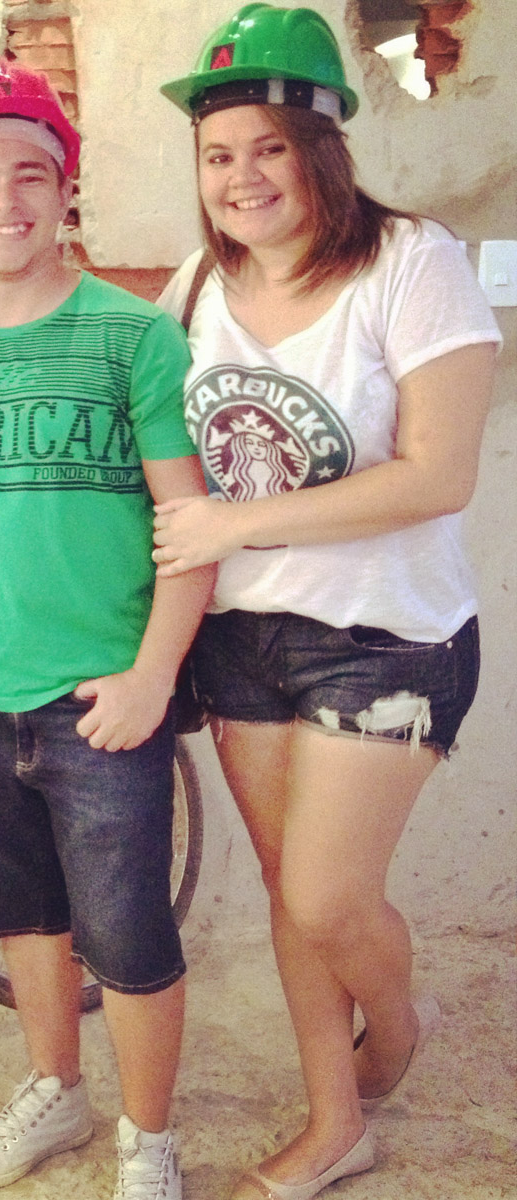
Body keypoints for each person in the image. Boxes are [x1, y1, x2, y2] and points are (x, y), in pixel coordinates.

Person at [155, 6, 501, 1199]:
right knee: (290, 901)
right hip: (242, 637)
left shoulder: (412, 262)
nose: (241, 176)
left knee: (326, 894)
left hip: (385, 637)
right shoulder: (197, 285)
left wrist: (234, 524)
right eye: (218, 154)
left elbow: (438, 474)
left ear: (322, 148)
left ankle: (394, 1030)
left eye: (268, 147)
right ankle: (335, 1123)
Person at [0, 60, 215, 1200]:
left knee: (131, 941)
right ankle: (56, 1092)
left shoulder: (135, 338)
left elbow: (190, 527)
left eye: (30, 175)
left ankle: (149, 1141)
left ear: (67, 190)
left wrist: (152, 677)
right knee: (25, 920)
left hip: (101, 704)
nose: (5, 200)